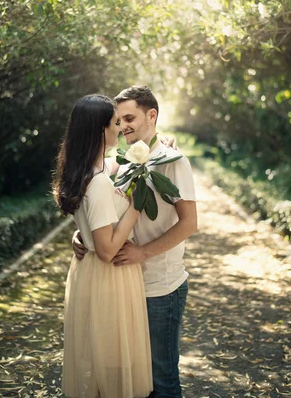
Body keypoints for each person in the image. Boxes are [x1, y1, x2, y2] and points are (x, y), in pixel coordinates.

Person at [73, 86, 197, 398]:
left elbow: (190, 223)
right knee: (129, 381)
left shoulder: (174, 162)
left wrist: (142, 252)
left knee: (161, 381)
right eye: (117, 120)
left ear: (151, 115)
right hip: (123, 289)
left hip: (160, 288)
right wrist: (81, 236)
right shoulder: (121, 161)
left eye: (129, 118)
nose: (122, 125)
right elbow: (100, 208)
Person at [54, 94, 153, 398]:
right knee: (110, 369)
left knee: (99, 366)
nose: (121, 127)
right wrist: (136, 207)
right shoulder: (96, 183)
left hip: (92, 274)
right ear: (100, 130)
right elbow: (108, 249)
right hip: (109, 277)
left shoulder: (91, 171)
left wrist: (157, 147)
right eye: (115, 122)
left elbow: (118, 163)